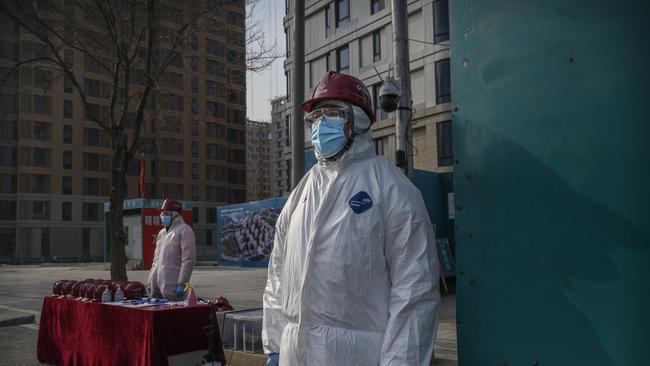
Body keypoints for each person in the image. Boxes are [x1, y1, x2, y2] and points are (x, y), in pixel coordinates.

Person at [262, 71, 440, 366]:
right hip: (295, 354)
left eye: (332, 114)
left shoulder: (392, 190)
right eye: (314, 118)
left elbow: (415, 292)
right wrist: (274, 343)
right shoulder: (301, 194)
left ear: (358, 120)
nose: (320, 125)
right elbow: (277, 276)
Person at [147, 198, 196, 301]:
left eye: (166, 213)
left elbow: (188, 260)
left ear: (175, 214)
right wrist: (151, 279)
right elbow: (156, 259)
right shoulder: (161, 233)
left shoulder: (184, 230)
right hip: (156, 287)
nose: (163, 216)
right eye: (162, 213)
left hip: (173, 286)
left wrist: (182, 283)